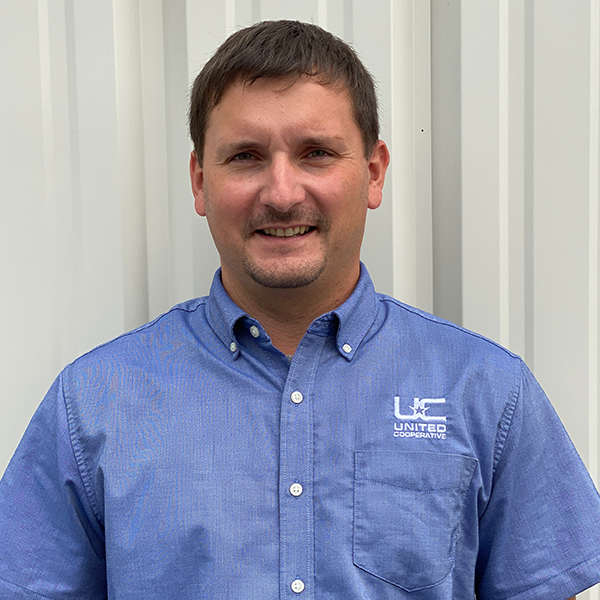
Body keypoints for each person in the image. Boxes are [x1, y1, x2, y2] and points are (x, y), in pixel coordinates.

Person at [0, 20, 598, 600]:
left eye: (316, 153)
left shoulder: (488, 393)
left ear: (373, 173)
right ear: (200, 181)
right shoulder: (93, 403)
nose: (282, 193)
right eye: (245, 156)